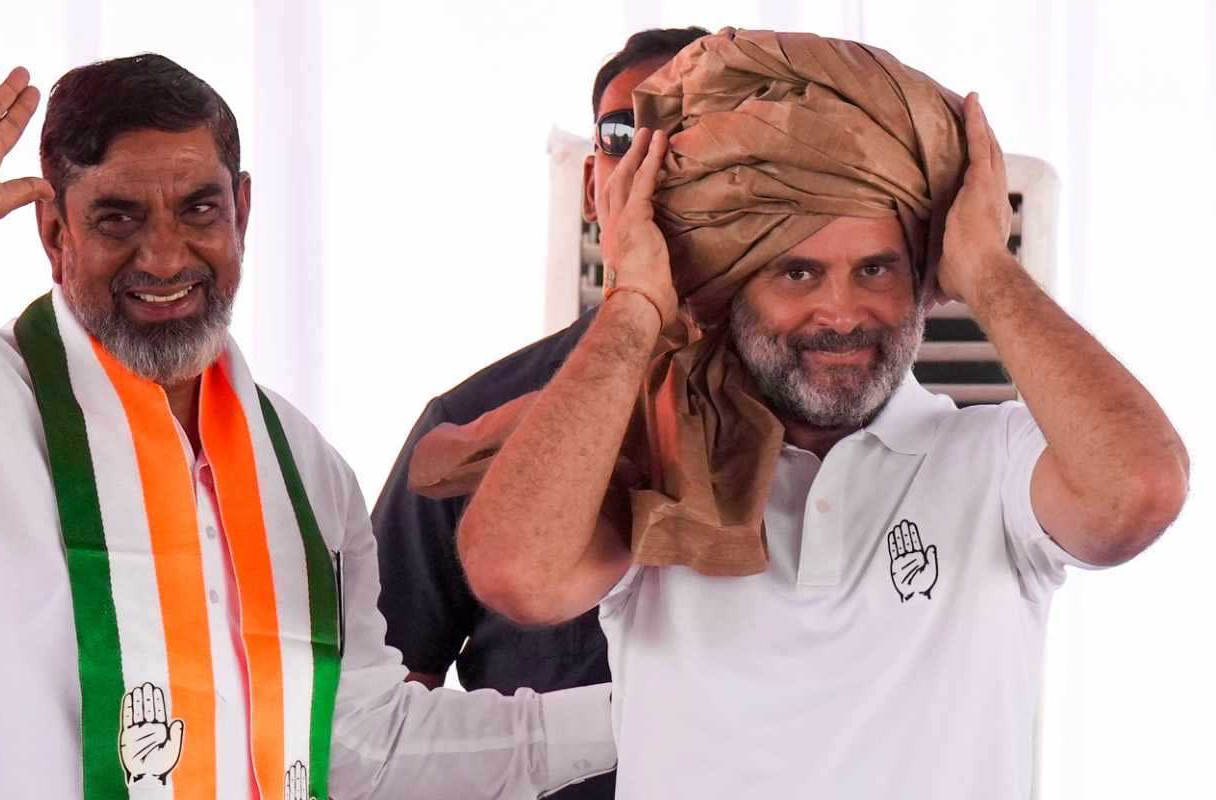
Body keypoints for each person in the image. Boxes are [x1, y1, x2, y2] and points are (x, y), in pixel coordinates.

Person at [0, 54, 614, 799]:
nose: (164, 255)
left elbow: (358, 751)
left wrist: (650, 712)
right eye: (116, 217)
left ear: (243, 211)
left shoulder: (304, 470)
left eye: (198, 209)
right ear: (53, 232)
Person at [439, 30, 1190, 798]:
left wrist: (989, 271)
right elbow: (516, 573)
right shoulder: (665, 471)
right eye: (797, 272)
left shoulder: (994, 465)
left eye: (877, 270)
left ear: (926, 275)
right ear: (730, 289)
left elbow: (1139, 489)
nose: (842, 312)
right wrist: (636, 304)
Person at [370, 26, 707, 800]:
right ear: (594, 185)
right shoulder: (471, 418)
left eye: (691, 132)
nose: (658, 166)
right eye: (628, 136)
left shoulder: (822, 423)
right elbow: (379, 717)